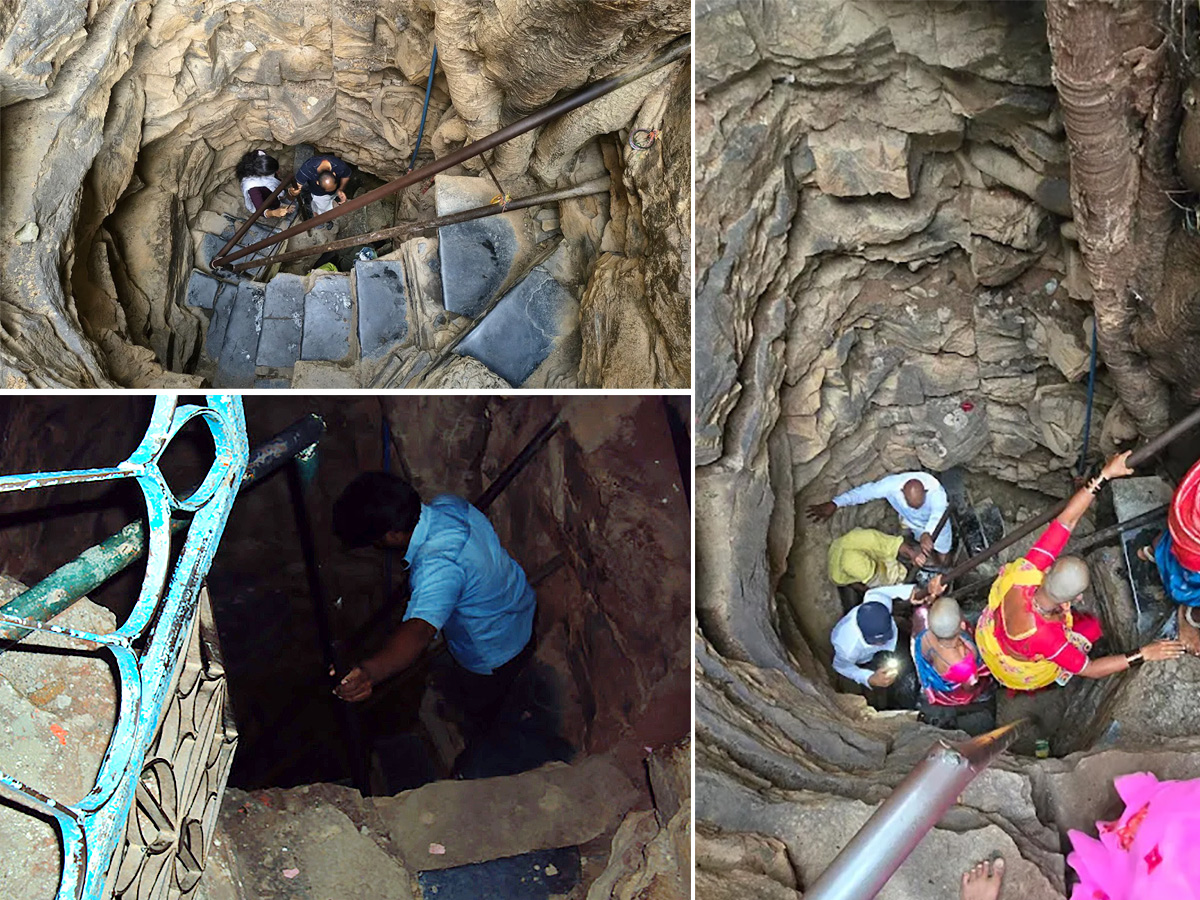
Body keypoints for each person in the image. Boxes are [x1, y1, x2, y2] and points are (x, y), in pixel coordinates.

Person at [330, 472, 536, 745]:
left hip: (494, 653)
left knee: (482, 704)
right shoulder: (448, 505)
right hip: (520, 606)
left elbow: (418, 632)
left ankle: (481, 739)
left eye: (375, 539)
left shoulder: (437, 567)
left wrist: (369, 672)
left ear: (392, 535)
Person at [974, 451, 1185, 692]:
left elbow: (1066, 521)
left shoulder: (1029, 570)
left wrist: (1105, 474)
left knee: (1088, 627)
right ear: (1071, 600)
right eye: (1079, 595)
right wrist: (1144, 653)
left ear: (1049, 569)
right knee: (1092, 629)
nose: (1081, 598)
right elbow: (1090, 669)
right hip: (1022, 655)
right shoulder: (1047, 637)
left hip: (997, 632)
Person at [830, 575, 945, 708]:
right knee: (889, 683)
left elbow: (881, 592)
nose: (881, 644)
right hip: (868, 658)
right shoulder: (847, 647)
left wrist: (911, 592)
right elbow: (841, 666)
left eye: (884, 639)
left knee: (906, 659)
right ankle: (900, 704)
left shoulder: (877, 603)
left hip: (895, 641)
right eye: (876, 642)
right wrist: (869, 678)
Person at [808, 471, 953, 566]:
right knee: (923, 543)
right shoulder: (891, 486)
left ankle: (944, 564)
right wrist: (836, 503)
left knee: (943, 548)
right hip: (913, 523)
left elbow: (938, 513)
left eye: (919, 504)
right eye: (912, 505)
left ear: (926, 492)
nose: (916, 508)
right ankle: (932, 556)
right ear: (902, 492)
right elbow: (863, 493)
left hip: (937, 525)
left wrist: (928, 533)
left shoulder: (936, 491)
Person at [1137, 457, 1200, 656]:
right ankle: (1189, 612)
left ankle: (1159, 548)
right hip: (1193, 540)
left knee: (1182, 544)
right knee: (1191, 576)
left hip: (1188, 512)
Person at [913, 596, 994, 733]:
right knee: (984, 686)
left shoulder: (922, 626)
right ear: (962, 625)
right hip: (956, 684)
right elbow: (969, 688)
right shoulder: (964, 662)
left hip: (936, 675)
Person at [828, 527, 925, 591]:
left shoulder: (870, 539)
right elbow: (852, 583)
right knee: (882, 582)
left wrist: (913, 554)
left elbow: (894, 544)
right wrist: (867, 590)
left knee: (889, 560)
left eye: (873, 571)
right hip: (855, 572)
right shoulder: (838, 577)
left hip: (873, 552)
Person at [288, 152, 352, 221]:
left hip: (335, 189)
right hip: (319, 194)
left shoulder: (338, 165)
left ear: (334, 174)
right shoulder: (307, 169)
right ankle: (317, 213)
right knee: (321, 207)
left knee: (332, 197)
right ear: (317, 182)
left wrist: (340, 189)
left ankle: (329, 203)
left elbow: (346, 175)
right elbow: (295, 187)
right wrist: (294, 191)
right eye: (328, 190)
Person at [235, 150, 294, 219]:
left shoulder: (259, 156)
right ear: (263, 174)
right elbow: (260, 209)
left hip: (265, 186)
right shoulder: (253, 188)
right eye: (273, 172)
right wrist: (274, 212)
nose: (278, 172)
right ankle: (278, 205)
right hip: (265, 194)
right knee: (271, 199)